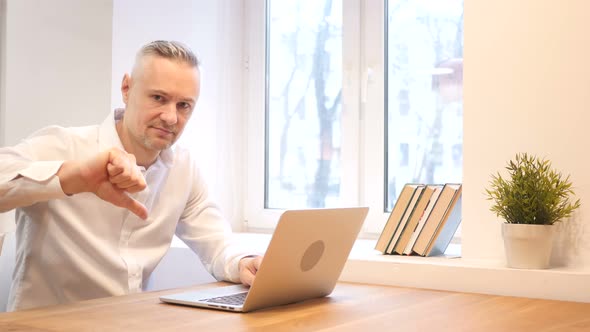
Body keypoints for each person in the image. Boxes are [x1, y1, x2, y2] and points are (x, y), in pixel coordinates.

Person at [0, 40, 262, 311]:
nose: (171, 117)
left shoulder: (184, 168)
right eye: (158, 98)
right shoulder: (63, 146)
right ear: (127, 88)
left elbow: (217, 244)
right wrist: (71, 177)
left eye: (184, 105)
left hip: (130, 323)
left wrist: (245, 262)